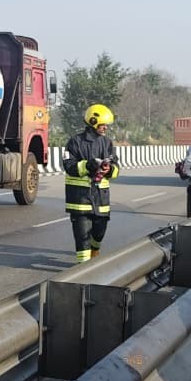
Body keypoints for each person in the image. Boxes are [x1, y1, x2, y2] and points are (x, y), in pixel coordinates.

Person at [61, 104, 121, 263]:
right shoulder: (74, 142)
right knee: (82, 239)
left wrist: (108, 169)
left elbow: (116, 169)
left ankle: (95, 251)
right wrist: (88, 165)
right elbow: (68, 166)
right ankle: (84, 269)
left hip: (101, 200)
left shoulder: (107, 143)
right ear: (93, 121)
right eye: (103, 124)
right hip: (80, 201)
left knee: (99, 233)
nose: (105, 127)